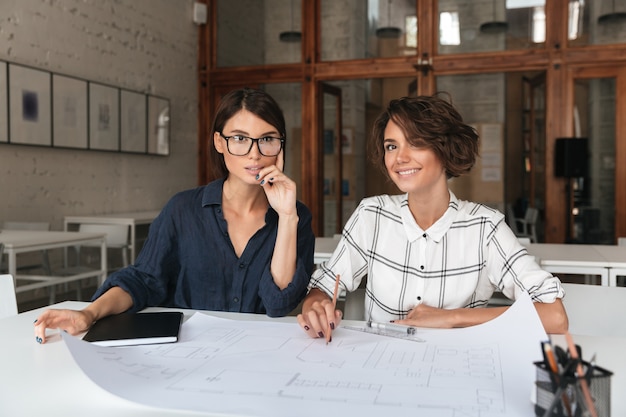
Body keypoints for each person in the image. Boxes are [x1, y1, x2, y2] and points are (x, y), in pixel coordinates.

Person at [34, 87, 315, 344]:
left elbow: (279, 304)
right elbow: (143, 280)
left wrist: (288, 216)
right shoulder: (183, 209)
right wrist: (89, 314)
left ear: (280, 144)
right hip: (186, 356)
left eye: (266, 139)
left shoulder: (296, 216)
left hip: (258, 355)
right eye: (239, 139)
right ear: (219, 142)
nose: (254, 154)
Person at [297, 93, 568, 340]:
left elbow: (554, 315)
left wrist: (451, 318)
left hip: (458, 368)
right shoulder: (372, 215)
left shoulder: (485, 228)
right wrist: (316, 305)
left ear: (445, 149)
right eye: (391, 146)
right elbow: (323, 286)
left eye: (415, 143)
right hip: (380, 365)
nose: (399, 157)